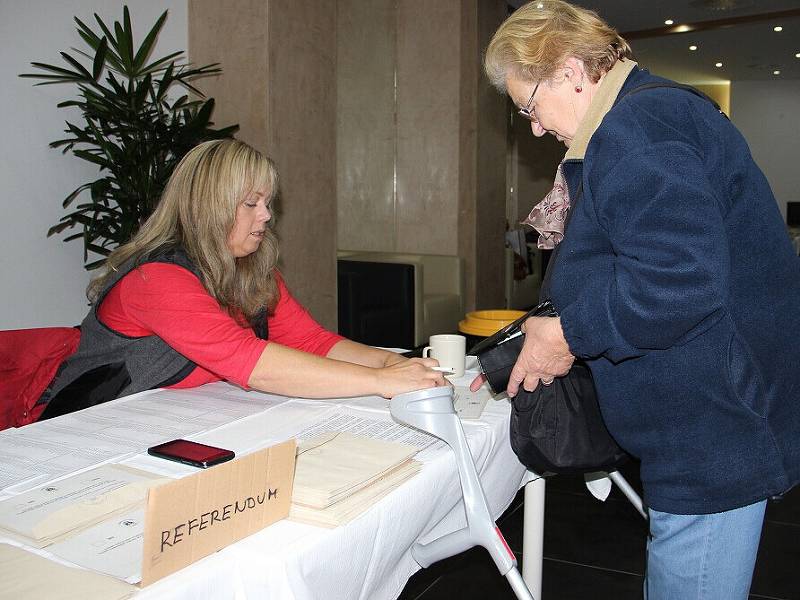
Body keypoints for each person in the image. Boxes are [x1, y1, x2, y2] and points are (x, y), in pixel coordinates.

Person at [479, 2, 800, 598]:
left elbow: (680, 282)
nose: (535, 128)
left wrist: (569, 331)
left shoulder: (636, 130)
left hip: (713, 439)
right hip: (710, 427)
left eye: (529, 106)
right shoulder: (646, 116)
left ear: (572, 72)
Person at [37, 139, 445, 419]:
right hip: (93, 430)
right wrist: (380, 381)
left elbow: (311, 341)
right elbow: (252, 363)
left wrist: (394, 363)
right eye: (251, 203)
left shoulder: (252, 268)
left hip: (176, 422)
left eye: (267, 202)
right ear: (207, 207)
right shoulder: (156, 278)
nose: (266, 215)